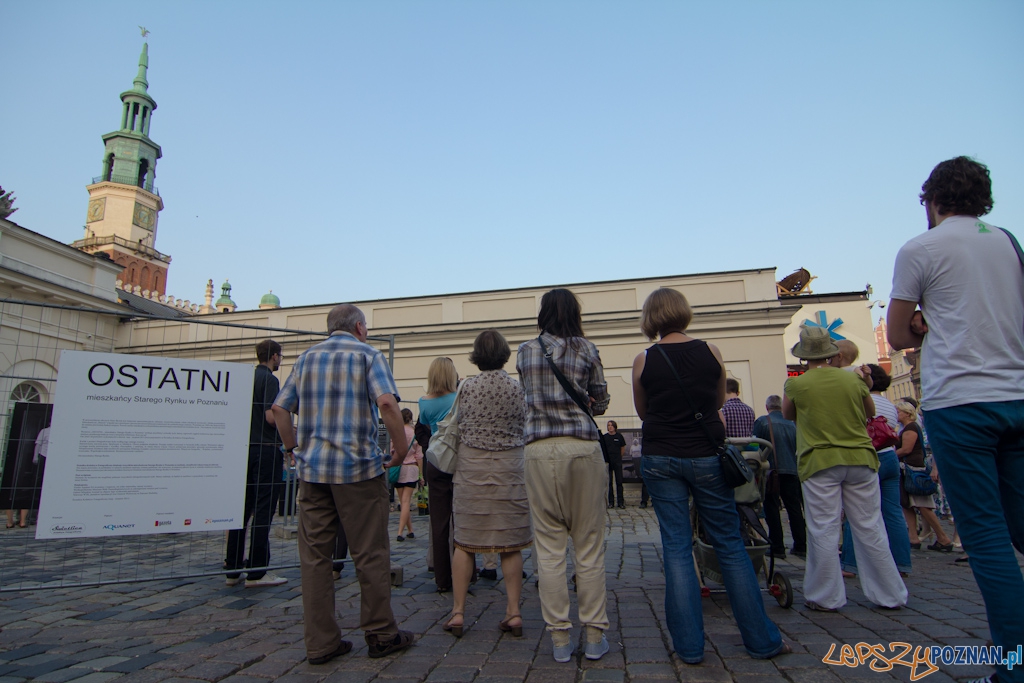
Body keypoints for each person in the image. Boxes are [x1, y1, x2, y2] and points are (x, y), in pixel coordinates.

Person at [889, 158, 1024, 683]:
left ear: (931, 199)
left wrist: (928, 322)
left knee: (987, 537)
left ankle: (1012, 669)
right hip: (1017, 391)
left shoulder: (921, 248)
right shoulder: (1008, 241)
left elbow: (898, 334)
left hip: (961, 402)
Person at [631, 287, 788, 663]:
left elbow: (643, 412)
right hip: (706, 456)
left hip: (661, 456)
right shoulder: (711, 352)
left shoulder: (643, 360)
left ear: (651, 318)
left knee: (676, 548)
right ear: (684, 313)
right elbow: (717, 402)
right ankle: (761, 641)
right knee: (730, 544)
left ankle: (688, 647)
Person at [272, 304, 413, 664]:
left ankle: (321, 643)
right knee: (370, 554)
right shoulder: (369, 355)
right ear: (360, 327)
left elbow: (280, 410)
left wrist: (292, 449)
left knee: (315, 559)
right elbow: (387, 403)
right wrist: (400, 449)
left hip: (313, 473)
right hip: (359, 472)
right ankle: (381, 634)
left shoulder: (305, 359)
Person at [783, 325, 907, 612]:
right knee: (870, 526)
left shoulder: (797, 384)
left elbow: (789, 415)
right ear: (830, 352)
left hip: (820, 461)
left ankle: (826, 596)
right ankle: (890, 594)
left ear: (804, 356)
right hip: (861, 459)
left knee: (824, 529)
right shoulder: (853, 381)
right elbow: (870, 412)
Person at [516, 288, 611, 663]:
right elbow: (600, 401)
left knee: (549, 547)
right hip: (582, 447)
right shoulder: (587, 349)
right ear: (575, 313)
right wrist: (588, 401)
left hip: (538, 451)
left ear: (543, 314)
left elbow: (528, 395)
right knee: (588, 546)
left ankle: (559, 639)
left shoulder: (525, 351)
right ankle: (593, 635)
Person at [443, 330, 531, 639]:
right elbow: (525, 424)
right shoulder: (518, 389)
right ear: (505, 354)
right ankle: (514, 612)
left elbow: (457, 423)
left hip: (472, 467)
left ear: (477, 354)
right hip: (510, 466)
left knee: (465, 541)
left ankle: (457, 613)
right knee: (511, 541)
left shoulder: (467, 387)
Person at [224, 339, 288, 587]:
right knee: (263, 511)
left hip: (245, 449)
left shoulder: (247, 378)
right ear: (273, 357)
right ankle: (257, 571)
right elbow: (272, 416)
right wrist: (289, 428)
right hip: (265, 450)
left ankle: (233, 567)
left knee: (241, 510)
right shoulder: (269, 380)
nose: (280, 360)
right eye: (280, 356)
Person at [840, 364, 913, 577]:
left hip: (870, 458)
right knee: (893, 513)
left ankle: (850, 564)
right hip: (890, 457)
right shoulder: (890, 405)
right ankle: (902, 562)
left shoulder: (864, 400)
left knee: (857, 512)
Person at [419, 357, 459, 593]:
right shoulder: (458, 399)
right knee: (462, 521)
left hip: (434, 460)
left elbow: (424, 424)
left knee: (439, 522)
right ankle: (467, 573)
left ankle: (442, 579)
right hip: (457, 460)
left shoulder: (424, 402)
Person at [894, 400, 953, 551]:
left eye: (899, 411)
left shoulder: (911, 428)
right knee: (907, 504)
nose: (896, 414)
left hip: (913, 469)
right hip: (908, 469)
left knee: (923, 505)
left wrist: (891, 454)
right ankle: (913, 538)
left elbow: (906, 449)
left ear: (907, 413)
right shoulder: (907, 428)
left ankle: (943, 538)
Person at [752, 395, 805, 559]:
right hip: (792, 469)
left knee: (772, 508)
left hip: (772, 471)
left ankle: (777, 546)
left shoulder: (762, 422)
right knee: (794, 509)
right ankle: (801, 545)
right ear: (780, 407)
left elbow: (756, 446)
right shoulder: (792, 424)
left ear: (767, 407)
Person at [393, 408, 423, 542]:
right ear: (411, 418)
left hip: (398, 469)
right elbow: (419, 456)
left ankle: (410, 530)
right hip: (411, 469)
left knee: (402, 501)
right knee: (406, 502)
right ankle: (400, 532)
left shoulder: (396, 432)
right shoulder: (414, 433)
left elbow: (392, 450)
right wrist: (421, 475)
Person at [603, 421, 626, 509]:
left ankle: (620, 502)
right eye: (608, 425)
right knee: (609, 483)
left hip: (617, 462)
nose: (610, 427)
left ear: (615, 427)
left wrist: (619, 457)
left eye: (611, 425)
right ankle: (611, 502)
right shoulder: (605, 437)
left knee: (619, 482)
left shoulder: (619, 436)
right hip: (608, 462)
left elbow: (622, 448)